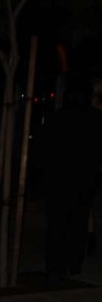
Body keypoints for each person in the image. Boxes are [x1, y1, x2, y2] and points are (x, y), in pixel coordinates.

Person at [35, 75, 102, 288]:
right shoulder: (95, 119)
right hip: (84, 178)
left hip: (58, 178)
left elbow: (42, 149)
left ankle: (55, 266)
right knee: (78, 220)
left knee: (57, 223)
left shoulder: (56, 118)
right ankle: (72, 262)